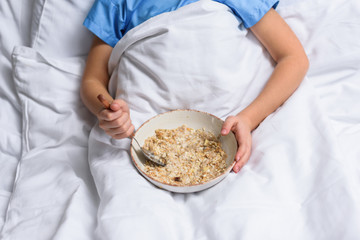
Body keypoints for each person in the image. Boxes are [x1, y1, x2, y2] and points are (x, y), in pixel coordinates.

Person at [80, 0, 309, 174]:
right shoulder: (118, 4)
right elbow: (92, 80)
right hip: (140, 136)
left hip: (227, 132)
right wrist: (108, 110)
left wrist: (248, 120)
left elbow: (293, 59)